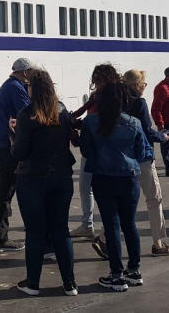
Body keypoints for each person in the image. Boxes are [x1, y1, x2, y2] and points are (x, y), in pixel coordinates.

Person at [11, 69, 78, 297]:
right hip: (61, 177)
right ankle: (70, 283)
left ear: (33, 89)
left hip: (32, 179)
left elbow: (20, 152)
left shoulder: (26, 114)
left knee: (35, 232)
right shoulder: (62, 110)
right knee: (61, 230)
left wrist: (14, 133)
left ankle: (33, 282)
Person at [81, 82, 153, 292]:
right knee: (129, 225)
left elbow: (86, 150)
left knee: (111, 227)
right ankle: (134, 270)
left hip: (103, 177)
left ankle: (116, 274)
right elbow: (142, 153)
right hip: (128, 178)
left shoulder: (91, 122)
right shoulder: (134, 123)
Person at [122, 69, 169, 257]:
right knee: (153, 199)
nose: (145, 87)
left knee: (123, 201)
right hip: (142, 156)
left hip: (121, 157)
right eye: (144, 83)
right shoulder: (139, 103)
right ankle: (157, 243)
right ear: (137, 85)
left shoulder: (116, 101)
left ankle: (104, 238)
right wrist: (162, 136)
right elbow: (145, 130)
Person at [69, 64, 121, 248]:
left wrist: (77, 125)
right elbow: (85, 111)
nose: (96, 83)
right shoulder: (96, 96)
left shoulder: (113, 97)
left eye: (99, 80)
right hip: (90, 147)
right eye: (95, 80)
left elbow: (102, 121)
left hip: (104, 151)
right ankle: (87, 225)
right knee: (85, 187)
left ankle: (108, 233)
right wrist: (69, 119)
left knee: (105, 193)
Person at [0, 57, 33, 253]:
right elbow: (28, 112)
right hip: (8, 144)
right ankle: (1, 238)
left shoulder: (9, 85)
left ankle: (1, 235)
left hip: (1, 142)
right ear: (25, 72)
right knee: (10, 189)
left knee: (6, 189)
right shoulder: (16, 88)